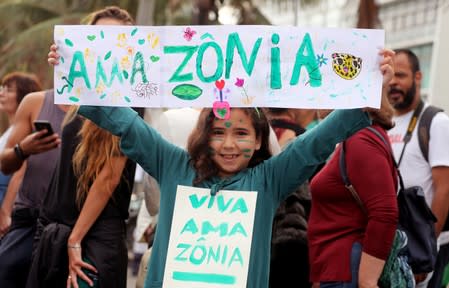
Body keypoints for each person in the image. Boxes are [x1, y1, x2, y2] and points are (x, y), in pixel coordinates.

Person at [72, 48, 394, 288]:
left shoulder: (269, 180)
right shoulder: (174, 166)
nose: (228, 145)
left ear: (258, 141)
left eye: (240, 133)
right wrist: (74, 71)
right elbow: (128, 125)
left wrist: (370, 85)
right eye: (218, 133)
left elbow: (320, 141)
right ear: (203, 135)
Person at [26, 6, 138, 288]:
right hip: (54, 233)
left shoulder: (130, 95)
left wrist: (75, 240)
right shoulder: (77, 90)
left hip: (93, 240)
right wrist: (63, 64)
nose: (105, 45)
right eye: (98, 36)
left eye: (116, 39)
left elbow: (109, 176)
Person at [307, 85, 404, 287]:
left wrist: (367, 281)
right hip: (338, 269)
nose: (316, 92)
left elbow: (384, 212)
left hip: (346, 271)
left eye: (326, 85)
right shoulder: (355, 136)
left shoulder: (361, 138)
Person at [387, 49, 449, 287]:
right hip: (393, 243)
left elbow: (444, 190)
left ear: (418, 77)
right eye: (390, 76)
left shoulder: (436, 122)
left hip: (424, 246)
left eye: (401, 75)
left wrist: (425, 249)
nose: (393, 83)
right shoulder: (385, 122)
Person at [0, 72, 42, 205]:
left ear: (25, 96)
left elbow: (21, 172)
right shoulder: (9, 131)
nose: (1, 93)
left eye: (9, 90)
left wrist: (6, 210)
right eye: (2, 88)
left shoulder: (28, 131)